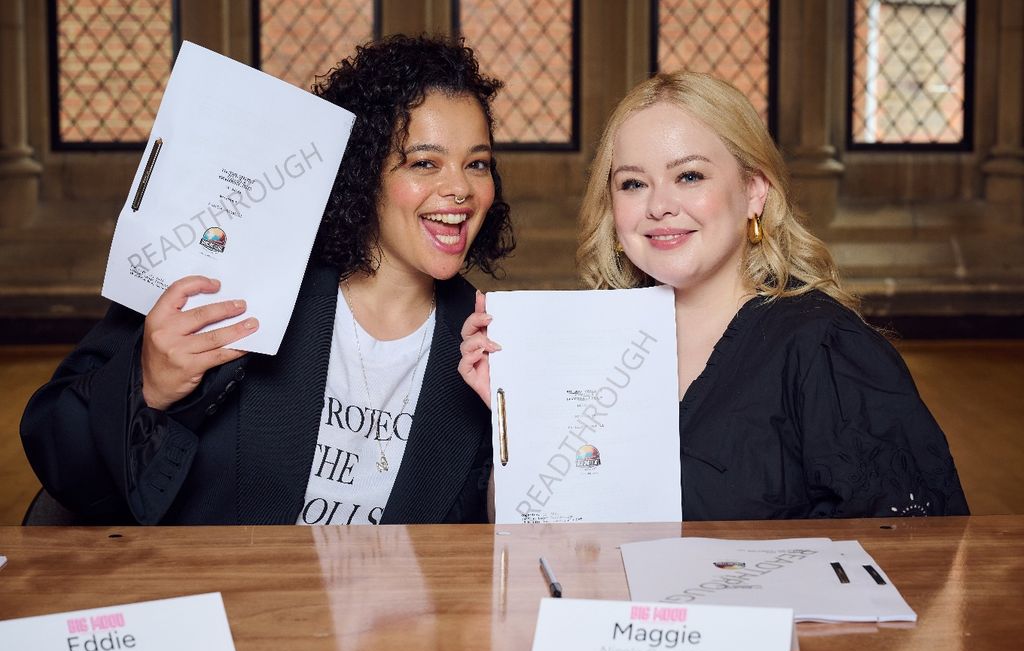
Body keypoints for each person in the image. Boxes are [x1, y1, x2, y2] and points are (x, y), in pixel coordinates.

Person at [21, 35, 514, 525]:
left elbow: (508, 534)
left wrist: (510, 423)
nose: (460, 189)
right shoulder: (234, 287)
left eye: (477, 164)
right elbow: (60, 462)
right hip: (231, 594)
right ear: (363, 172)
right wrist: (147, 386)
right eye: (424, 162)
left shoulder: (490, 344)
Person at [460, 71, 969, 520]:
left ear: (754, 191)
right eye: (634, 184)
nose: (659, 205)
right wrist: (520, 420)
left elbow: (920, 554)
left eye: (689, 175)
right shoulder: (589, 348)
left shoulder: (824, 348)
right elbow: (526, 534)